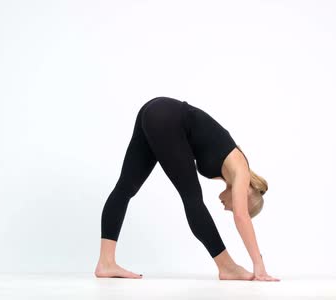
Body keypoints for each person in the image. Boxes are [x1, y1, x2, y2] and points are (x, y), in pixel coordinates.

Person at [94, 96, 279, 281]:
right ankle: (227, 267)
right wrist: (259, 265)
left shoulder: (229, 169)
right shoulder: (241, 169)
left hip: (155, 111)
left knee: (126, 187)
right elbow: (242, 217)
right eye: (235, 207)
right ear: (246, 194)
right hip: (166, 116)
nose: (228, 209)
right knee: (192, 199)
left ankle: (106, 262)